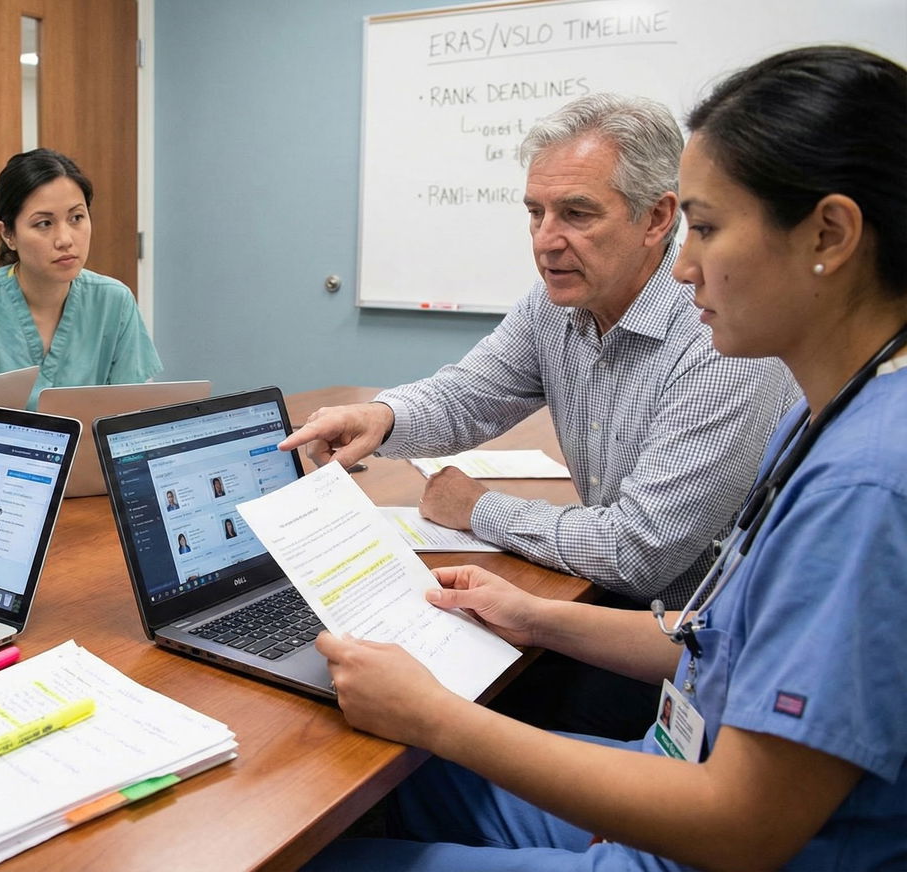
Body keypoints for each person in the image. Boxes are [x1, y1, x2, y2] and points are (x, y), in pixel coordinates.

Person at [306, 46, 907, 872]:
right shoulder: (835, 413)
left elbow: (744, 826)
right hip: (679, 757)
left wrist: (439, 718)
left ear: (830, 235)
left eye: (709, 227)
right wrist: (533, 614)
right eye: (534, 212)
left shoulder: (865, 481)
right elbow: (719, 639)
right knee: (349, 788)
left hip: (702, 835)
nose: (687, 267)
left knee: (325, 846)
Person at [282, 93, 794, 738]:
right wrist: (382, 416)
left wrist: (478, 508)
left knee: (426, 717)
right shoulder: (558, 301)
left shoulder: (719, 340)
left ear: (657, 217)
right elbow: (471, 393)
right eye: (535, 213)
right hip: (614, 609)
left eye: (577, 213)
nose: (547, 240)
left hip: (685, 654)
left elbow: (637, 552)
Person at [0, 148, 162, 410]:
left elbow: (132, 413)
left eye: (76, 218)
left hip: (90, 452)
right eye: (44, 223)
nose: (65, 239)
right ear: (8, 234)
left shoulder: (113, 301)